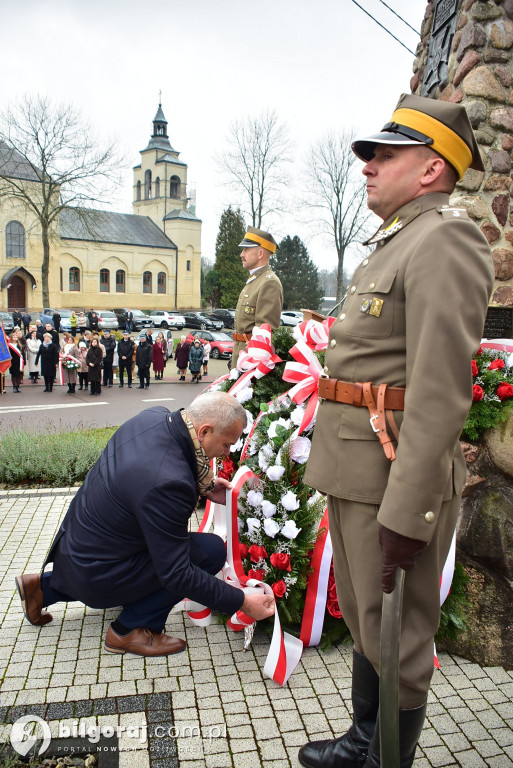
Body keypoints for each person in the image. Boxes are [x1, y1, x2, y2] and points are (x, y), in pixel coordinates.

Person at [299, 94, 494, 768]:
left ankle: (386, 758)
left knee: (398, 634)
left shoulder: (445, 238)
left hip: (390, 479)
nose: (366, 166)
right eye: (368, 154)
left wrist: (409, 508)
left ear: (431, 169)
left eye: (384, 154)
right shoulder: (397, 241)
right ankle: (363, 745)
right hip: (357, 469)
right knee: (365, 617)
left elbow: (439, 390)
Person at [14, 393, 275, 656]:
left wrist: (202, 486)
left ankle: (43, 589)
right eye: (227, 444)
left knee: (172, 553)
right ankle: (130, 630)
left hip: (77, 552)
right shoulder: (169, 482)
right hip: (97, 574)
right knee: (210, 552)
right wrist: (242, 602)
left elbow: (145, 479)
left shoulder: (155, 417)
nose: (227, 452)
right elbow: (177, 572)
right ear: (205, 431)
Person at [232, 226, 283, 367]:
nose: (242, 254)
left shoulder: (269, 282)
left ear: (260, 254)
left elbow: (264, 336)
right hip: (240, 357)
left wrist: (251, 367)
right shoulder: (256, 280)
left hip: (251, 363)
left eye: (246, 250)